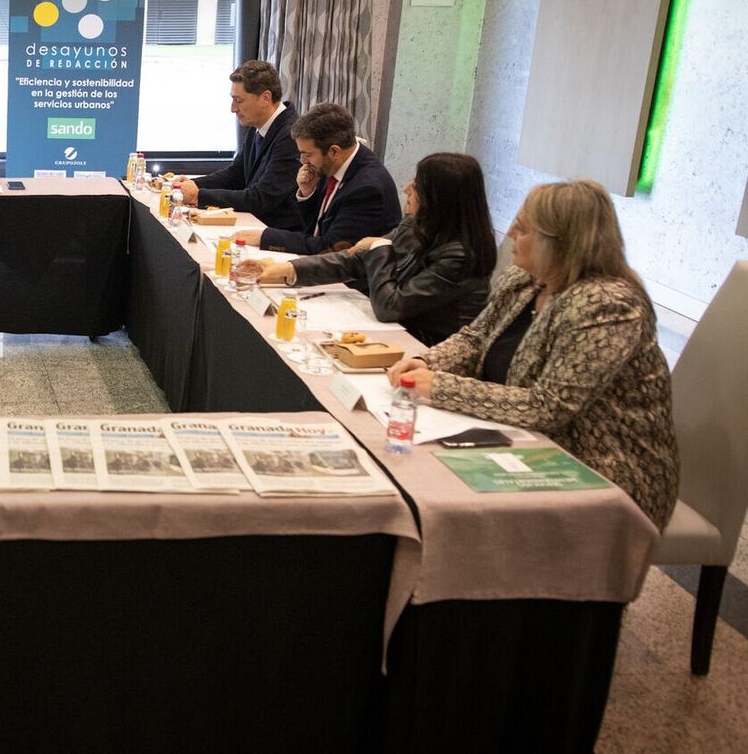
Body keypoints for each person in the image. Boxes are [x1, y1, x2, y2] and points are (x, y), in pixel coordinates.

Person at [386, 179, 679, 527]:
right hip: (523, 441)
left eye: (522, 229)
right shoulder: (524, 281)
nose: (509, 232)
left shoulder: (608, 305)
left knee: (439, 503)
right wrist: (425, 362)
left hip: (602, 470)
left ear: (560, 243)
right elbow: (475, 339)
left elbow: (550, 406)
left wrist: (440, 386)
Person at [238, 152, 496, 345]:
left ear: (440, 197)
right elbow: (354, 261)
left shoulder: (460, 256)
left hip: (424, 348)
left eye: (417, 185)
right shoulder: (417, 226)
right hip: (392, 335)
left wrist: (380, 246)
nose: (406, 189)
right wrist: (288, 269)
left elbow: (390, 307)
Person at [233, 103, 400, 255]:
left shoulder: (367, 189)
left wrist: (266, 237)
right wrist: (307, 193)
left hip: (353, 282)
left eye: (308, 154)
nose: (303, 161)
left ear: (334, 152)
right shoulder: (334, 164)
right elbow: (315, 229)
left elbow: (329, 248)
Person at [173, 60, 302, 231]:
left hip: (275, 232)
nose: (233, 109)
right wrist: (194, 185)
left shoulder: (291, 135)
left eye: (238, 101)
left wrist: (199, 195)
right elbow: (236, 174)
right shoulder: (259, 124)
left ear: (265, 98)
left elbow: (261, 198)